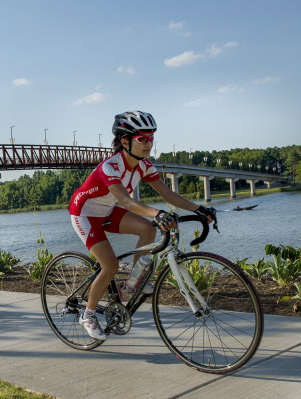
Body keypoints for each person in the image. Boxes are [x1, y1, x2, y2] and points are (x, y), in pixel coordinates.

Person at [68, 110, 216, 340]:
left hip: (105, 211)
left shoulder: (144, 165)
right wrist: (157, 213)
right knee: (110, 267)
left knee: (148, 228)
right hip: (84, 213)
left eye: (151, 138)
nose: (148, 143)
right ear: (125, 141)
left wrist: (199, 209)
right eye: (142, 139)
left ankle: (132, 284)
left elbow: (167, 193)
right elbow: (126, 201)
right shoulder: (111, 166)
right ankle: (87, 315)